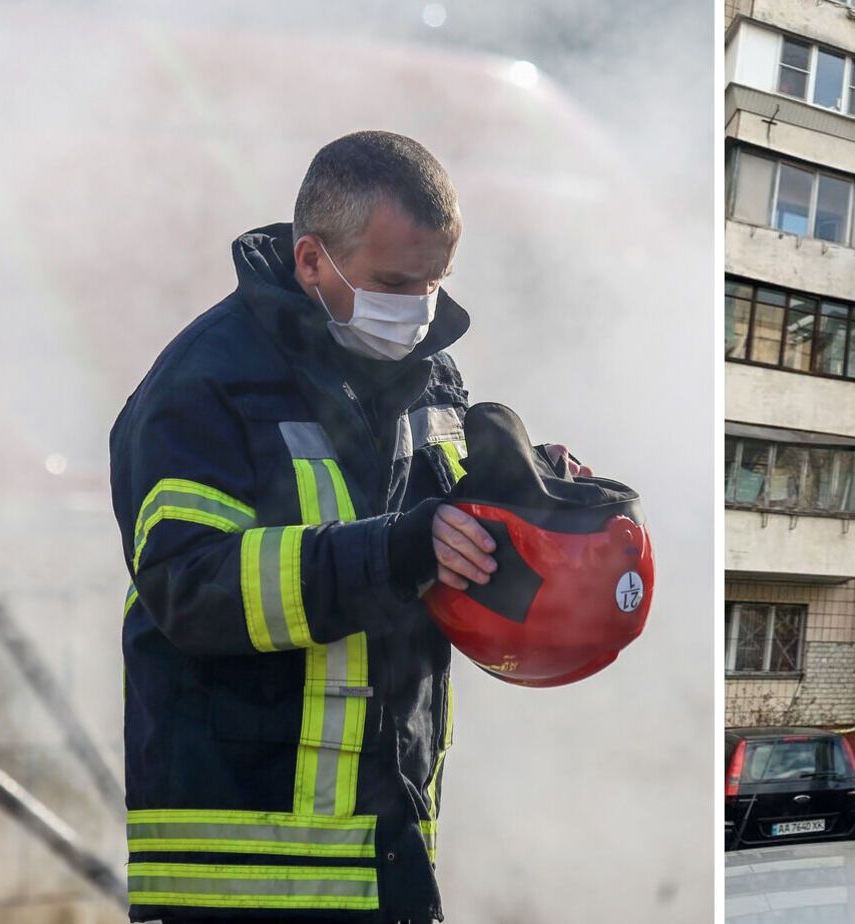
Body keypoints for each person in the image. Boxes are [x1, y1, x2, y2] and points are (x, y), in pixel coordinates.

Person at [110, 130, 584, 924]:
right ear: (311, 261)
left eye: (435, 282)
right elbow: (189, 588)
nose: (418, 310)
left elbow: (442, 534)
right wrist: (396, 551)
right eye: (395, 283)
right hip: (234, 882)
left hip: (388, 860)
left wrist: (528, 497)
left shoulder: (430, 377)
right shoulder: (203, 385)